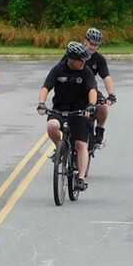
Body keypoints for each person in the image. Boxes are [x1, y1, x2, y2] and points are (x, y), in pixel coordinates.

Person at [38, 42, 98, 192]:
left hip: (80, 111)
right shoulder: (58, 69)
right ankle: (61, 149)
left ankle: (81, 179)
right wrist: (41, 103)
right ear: (71, 59)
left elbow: (92, 89)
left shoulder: (86, 71)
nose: (83, 62)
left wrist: (91, 104)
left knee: (81, 145)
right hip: (60, 109)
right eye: (80, 60)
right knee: (52, 126)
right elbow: (46, 87)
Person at [83, 27, 115, 146]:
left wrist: (111, 94)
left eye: (96, 45)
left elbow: (106, 77)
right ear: (84, 41)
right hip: (73, 90)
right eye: (91, 44)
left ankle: (100, 129)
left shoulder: (99, 59)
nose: (93, 47)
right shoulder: (74, 54)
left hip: (91, 90)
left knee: (104, 106)